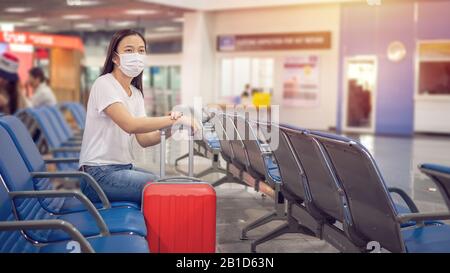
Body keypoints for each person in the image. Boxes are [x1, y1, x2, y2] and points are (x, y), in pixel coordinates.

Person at [78, 29, 197, 206]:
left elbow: (144, 139)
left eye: (141, 50)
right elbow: (130, 125)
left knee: (159, 182)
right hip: (97, 174)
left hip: (122, 168)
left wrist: (171, 128)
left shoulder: (135, 94)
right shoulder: (104, 84)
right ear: (115, 58)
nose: (136, 55)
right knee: (158, 188)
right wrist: (175, 119)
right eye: (129, 50)